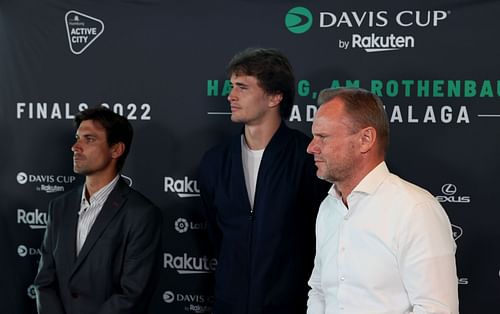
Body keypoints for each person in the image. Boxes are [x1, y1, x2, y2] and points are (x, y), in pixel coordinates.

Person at [198, 47, 329, 314]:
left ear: (274, 96)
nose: (230, 96)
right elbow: (217, 234)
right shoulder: (215, 161)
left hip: (290, 304)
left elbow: (322, 237)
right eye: (232, 86)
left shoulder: (308, 157)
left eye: (242, 87)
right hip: (228, 304)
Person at [306, 87, 459, 313]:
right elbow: (320, 291)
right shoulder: (329, 207)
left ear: (365, 139)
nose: (311, 147)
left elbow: (436, 309)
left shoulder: (415, 210)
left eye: (323, 137)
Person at [34, 107, 162, 314]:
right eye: (77, 138)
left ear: (116, 150)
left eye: (89, 139)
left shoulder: (142, 213)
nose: (75, 147)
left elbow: (133, 293)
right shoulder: (59, 207)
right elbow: (45, 282)